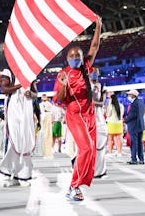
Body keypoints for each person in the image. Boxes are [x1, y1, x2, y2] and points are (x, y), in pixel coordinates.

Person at [53, 17, 102, 201]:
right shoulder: (63, 74)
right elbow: (59, 99)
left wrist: (98, 26)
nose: (75, 58)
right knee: (86, 148)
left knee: (90, 150)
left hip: (89, 113)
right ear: (67, 58)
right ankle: (74, 187)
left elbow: (95, 46)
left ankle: (74, 186)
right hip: (74, 114)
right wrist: (64, 85)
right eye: (71, 56)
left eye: (77, 56)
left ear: (82, 57)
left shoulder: (86, 67)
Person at [0, 69, 37, 187]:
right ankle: (8, 173)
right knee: (12, 143)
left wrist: (31, 94)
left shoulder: (30, 74)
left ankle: (23, 176)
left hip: (26, 112)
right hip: (13, 113)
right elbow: (3, 90)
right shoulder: (8, 72)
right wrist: (21, 84)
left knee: (25, 143)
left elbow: (35, 94)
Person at [90, 68, 108, 178]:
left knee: (100, 145)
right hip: (87, 117)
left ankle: (101, 170)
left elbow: (101, 103)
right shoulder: (85, 86)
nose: (93, 74)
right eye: (92, 72)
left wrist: (92, 102)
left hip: (99, 118)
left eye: (95, 73)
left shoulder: (102, 87)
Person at [124, 89, 145, 165]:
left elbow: (132, 115)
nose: (128, 96)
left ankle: (134, 159)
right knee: (140, 143)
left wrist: (125, 121)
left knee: (134, 143)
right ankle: (141, 159)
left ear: (133, 95)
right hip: (140, 125)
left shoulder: (134, 104)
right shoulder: (141, 102)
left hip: (134, 126)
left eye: (129, 94)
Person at [39, 94, 54, 158]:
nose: (44, 98)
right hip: (43, 117)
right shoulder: (40, 105)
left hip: (47, 118)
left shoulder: (50, 104)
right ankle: (43, 152)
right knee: (43, 135)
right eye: (43, 97)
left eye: (45, 97)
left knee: (48, 135)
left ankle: (48, 152)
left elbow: (52, 113)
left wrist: (52, 120)